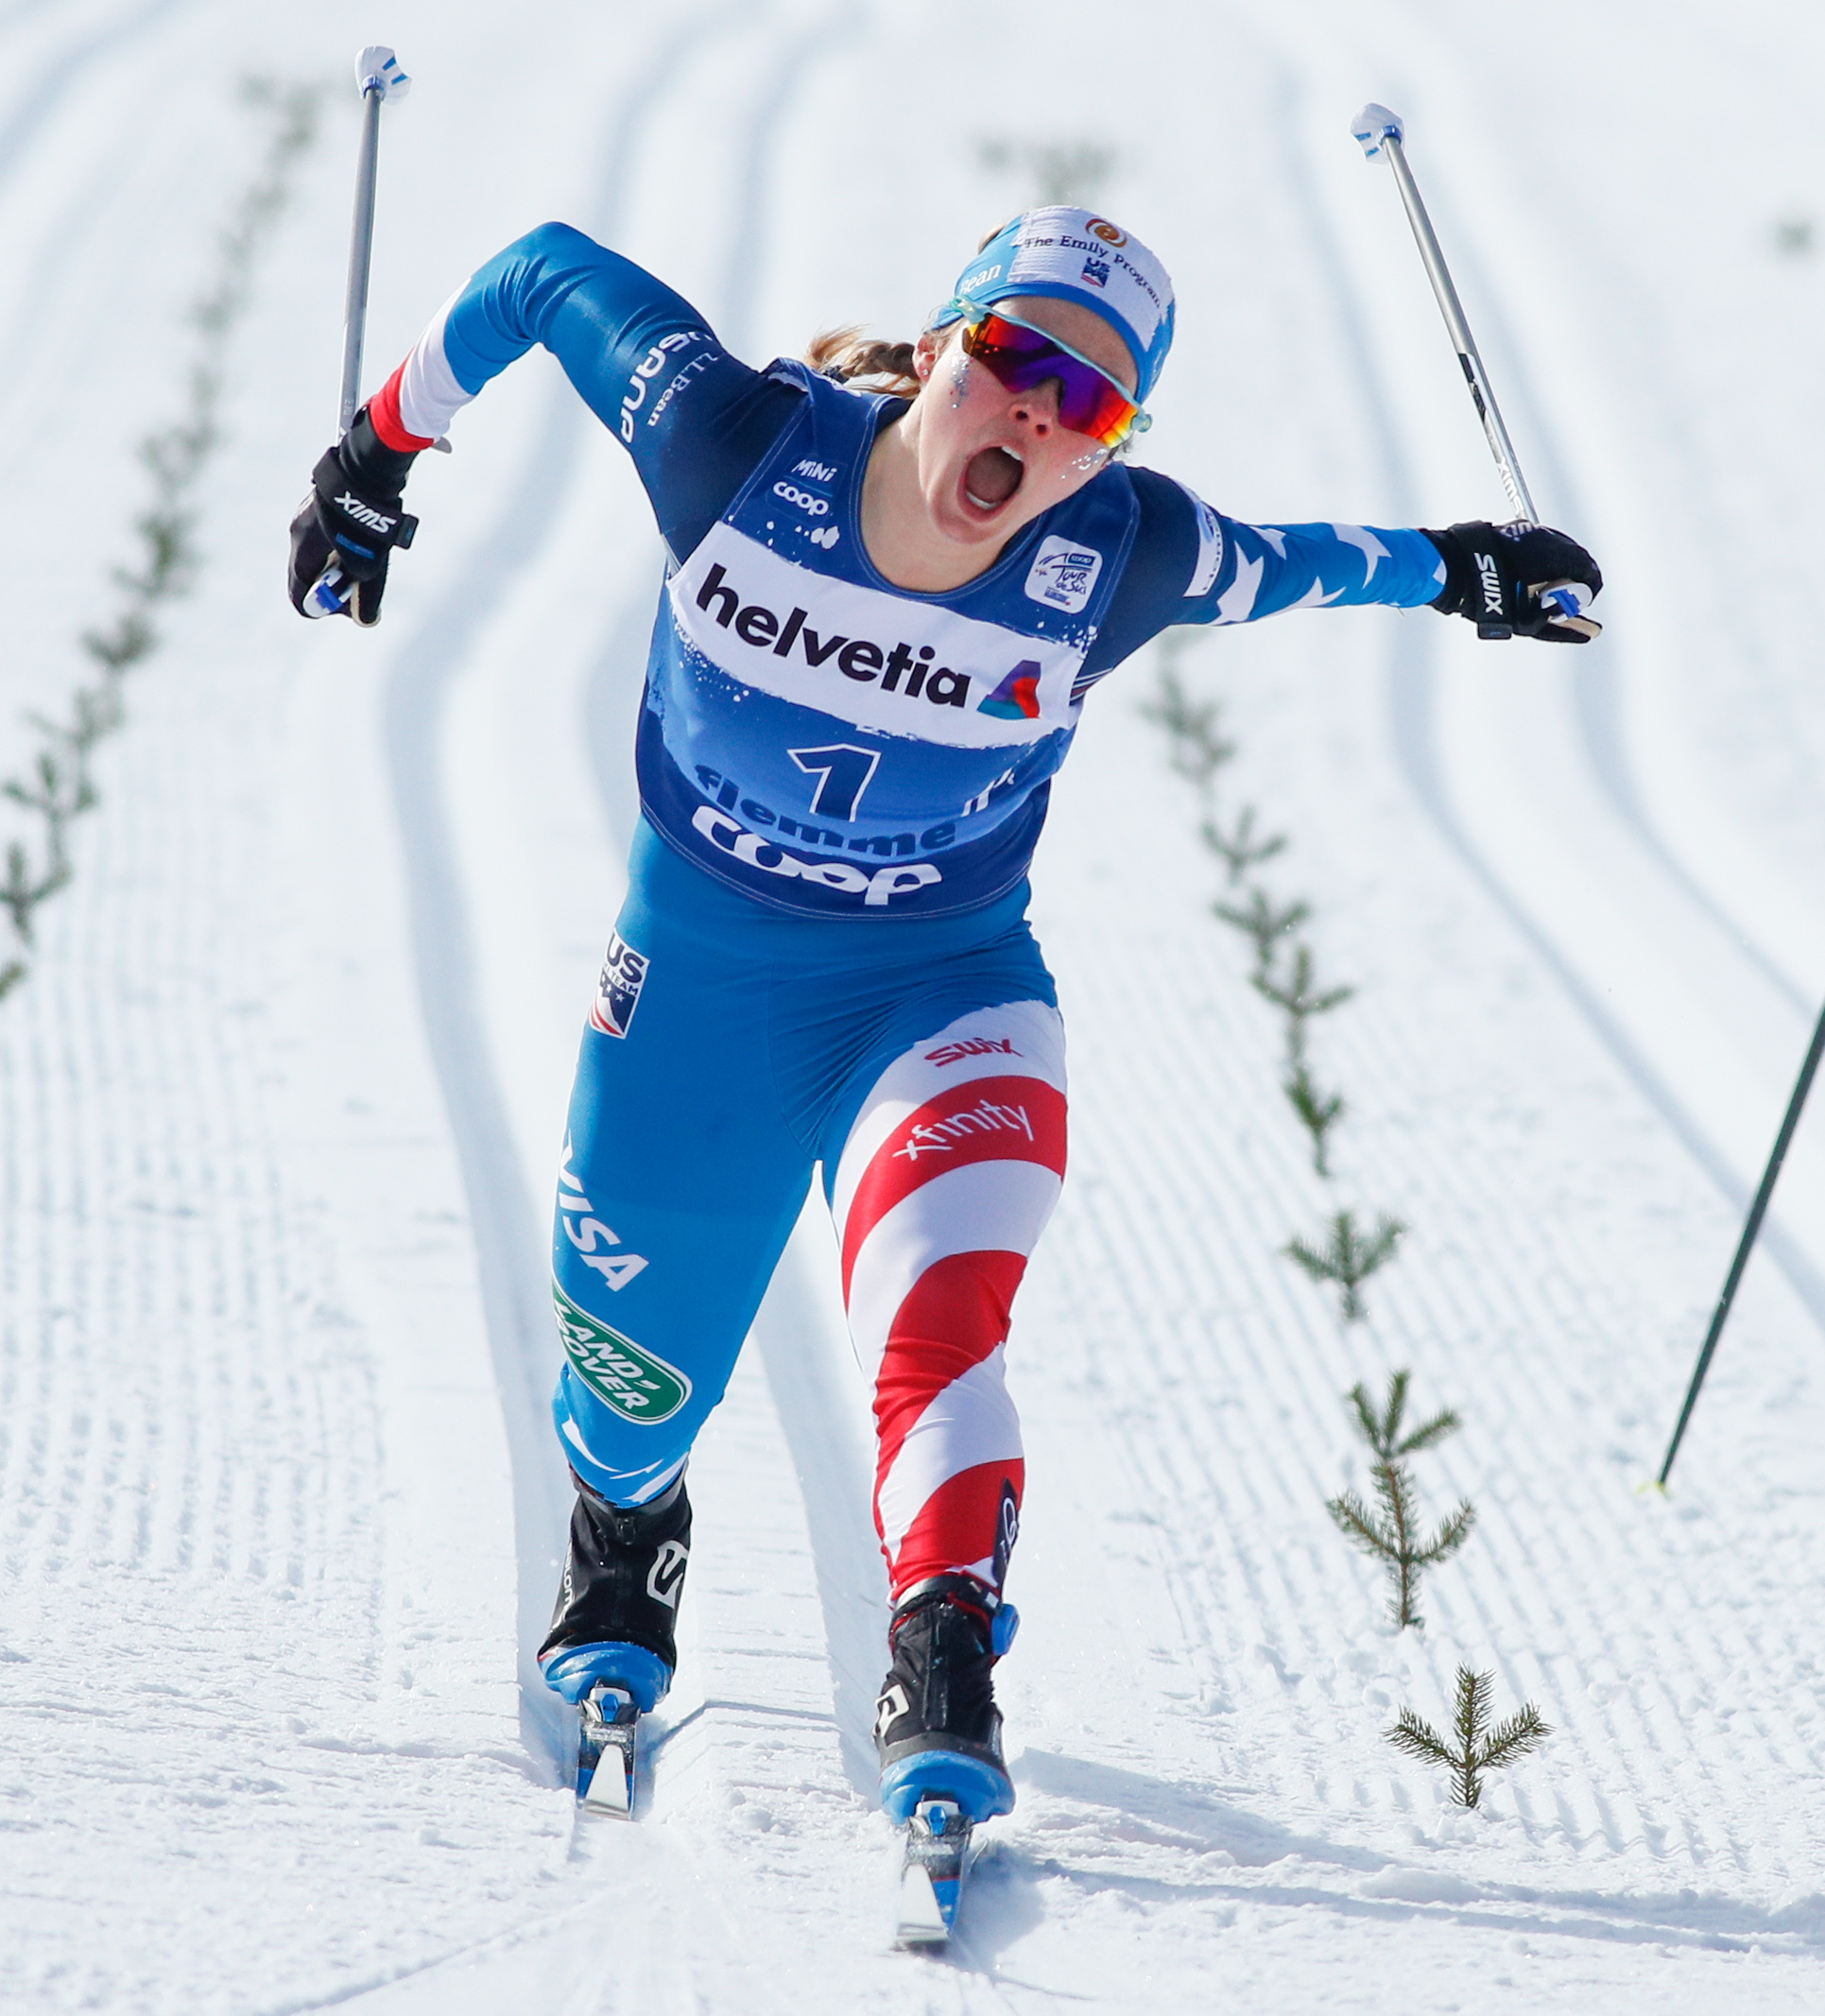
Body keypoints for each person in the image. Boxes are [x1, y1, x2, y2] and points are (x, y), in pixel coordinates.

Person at [284, 209, 1602, 1825]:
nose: (1041, 417)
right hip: (706, 979)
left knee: (937, 1312)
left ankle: (946, 1644)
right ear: (939, 349)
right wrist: (376, 451)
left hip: (946, 986)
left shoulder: (1114, 549)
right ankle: (627, 1536)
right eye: (1017, 358)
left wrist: (1470, 571)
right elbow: (544, 275)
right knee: (625, 1390)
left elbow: (1297, 562)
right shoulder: (734, 439)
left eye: (1094, 403)